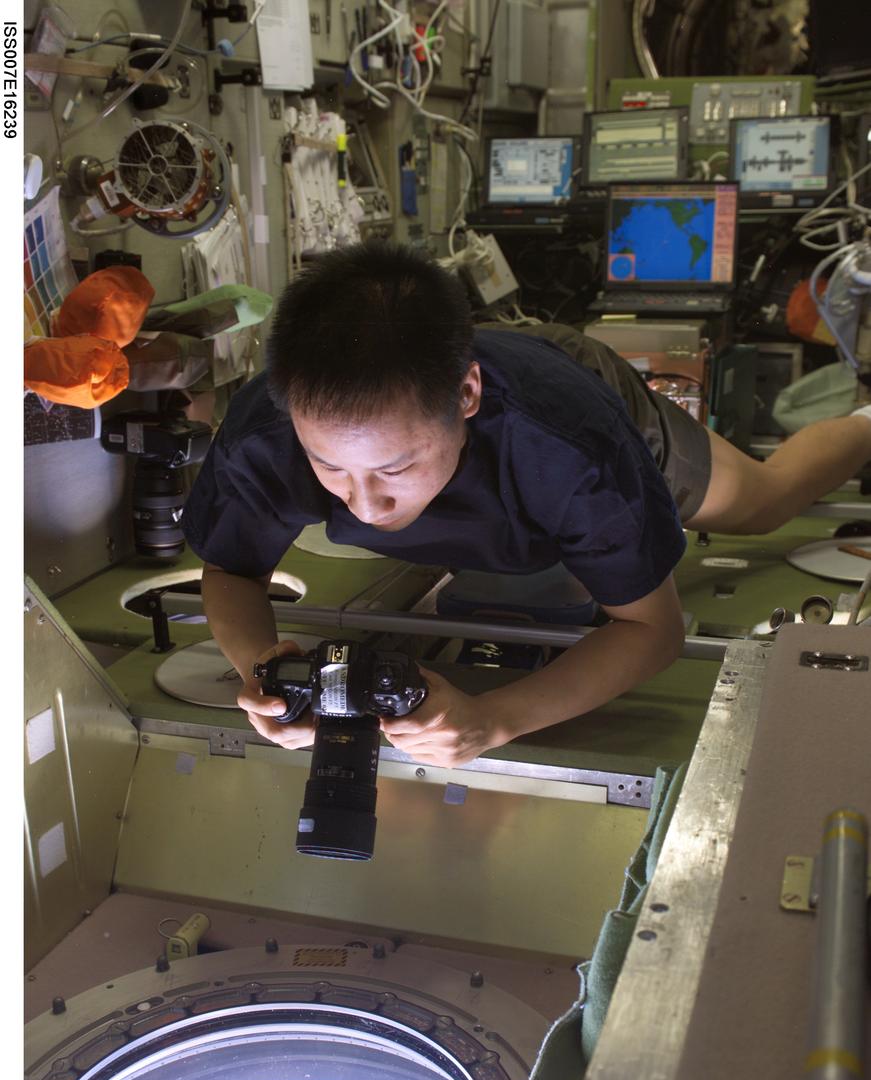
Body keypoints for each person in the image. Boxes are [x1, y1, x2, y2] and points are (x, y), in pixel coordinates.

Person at [182, 240, 871, 768]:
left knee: (760, 503)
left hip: (573, 379)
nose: (363, 505)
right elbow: (232, 571)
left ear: (466, 396)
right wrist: (265, 673)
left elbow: (650, 630)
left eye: (395, 468)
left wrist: (491, 720)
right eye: (328, 466)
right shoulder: (266, 429)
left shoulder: (571, 447)